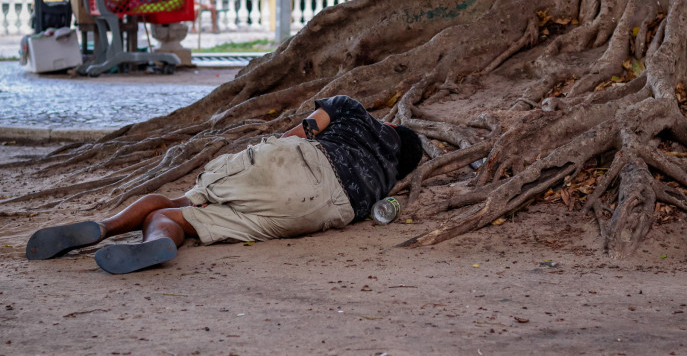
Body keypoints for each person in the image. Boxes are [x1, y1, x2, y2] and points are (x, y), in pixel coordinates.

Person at [26, 95, 423, 274]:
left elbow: (300, 132)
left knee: (188, 197)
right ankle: (153, 244)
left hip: (300, 163)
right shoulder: (385, 184)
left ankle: (107, 228)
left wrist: (273, 148)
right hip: (317, 212)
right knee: (184, 219)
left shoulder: (354, 111)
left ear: (391, 126)